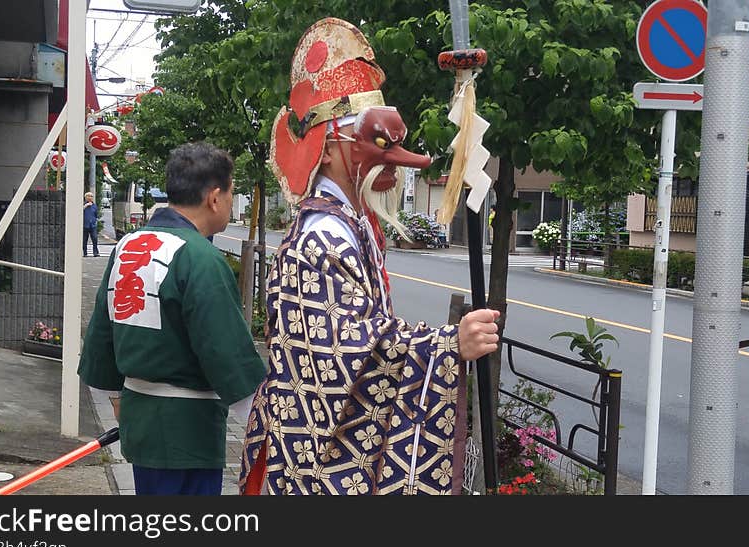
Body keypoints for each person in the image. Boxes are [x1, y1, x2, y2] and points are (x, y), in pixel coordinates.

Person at [239, 18, 500, 495]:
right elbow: (344, 356)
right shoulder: (320, 241)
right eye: (377, 145)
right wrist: (445, 347)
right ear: (333, 144)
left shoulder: (351, 225)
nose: (391, 164)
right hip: (309, 460)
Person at [78, 142, 266, 495]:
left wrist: (118, 400)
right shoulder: (201, 259)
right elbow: (226, 353)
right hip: (189, 430)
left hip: (140, 419)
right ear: (214, 197)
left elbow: (102, 335)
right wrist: (263, 428)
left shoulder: (129, 246)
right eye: (230, 193)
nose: (229, 202)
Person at [83, 192, 100, 257]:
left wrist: (95, 221)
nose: (90, 197)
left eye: (91, 196)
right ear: (86, 197)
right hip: (85, 225)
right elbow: (79, 211)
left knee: (95, 238)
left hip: (92, 225)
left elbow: (96, 214)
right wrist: (86, 206)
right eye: (89, 196)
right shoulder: (83, 204)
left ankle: (95, 252)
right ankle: (85, 253)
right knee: (84, 240)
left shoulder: (94, 205)